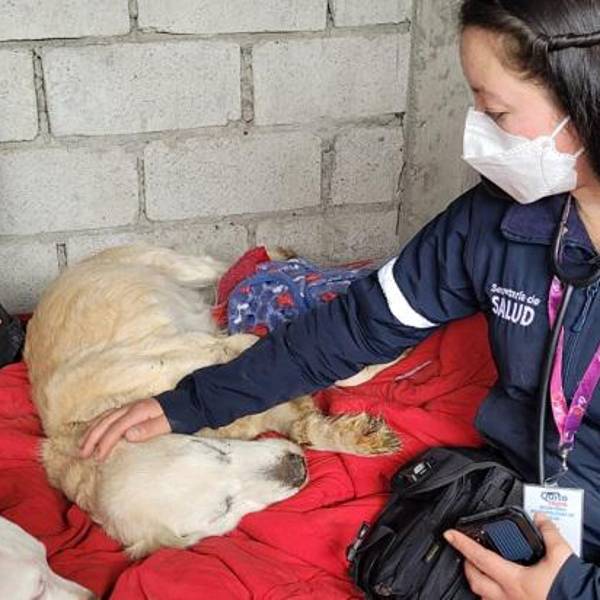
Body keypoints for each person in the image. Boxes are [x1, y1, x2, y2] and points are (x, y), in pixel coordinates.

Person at [79, 1, 600, 597]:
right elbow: (355, 326)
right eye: (475, 103)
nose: (475, 130)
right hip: (526, 497)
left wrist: (568, 591)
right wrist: (191, 403)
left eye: (497, 111)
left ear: (586, 97)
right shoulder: (495, 222)